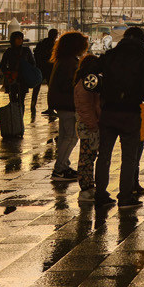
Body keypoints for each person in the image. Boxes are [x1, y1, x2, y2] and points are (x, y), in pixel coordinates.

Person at [93, 27, 144, 210]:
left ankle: (101, 195)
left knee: (104, 155)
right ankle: (125, 197)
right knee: (129, 158)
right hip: (130, 113)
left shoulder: (110, 55)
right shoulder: (143, 60)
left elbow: (91, 69)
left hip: (109, 112)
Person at [46, 31, 89, 183]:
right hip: (68, 104)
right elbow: (69, 84)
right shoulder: (70, 63)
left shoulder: (63, 60)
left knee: (65, 136)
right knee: (71, 137)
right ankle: (59, 170)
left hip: (61, 103)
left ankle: (63, 165)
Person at [72, 53, 103, 198]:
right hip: (88, 126)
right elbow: (85, 107)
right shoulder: (86, 84)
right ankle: (85, 187)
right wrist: (93, 125)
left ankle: (88, 185)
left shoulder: (85, 81)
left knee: (89, 155)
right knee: (86, 156)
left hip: (89, 124)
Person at [0, 32, 34, 111]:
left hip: (23, 79)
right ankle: (15, 118)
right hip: (12, 79)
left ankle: (20, 118)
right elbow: (2, 65)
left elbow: (32, 63)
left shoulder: (26, 50)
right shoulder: (9, 51)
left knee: (21, 101)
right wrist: (9, 73)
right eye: (17, 38)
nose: (20, 40)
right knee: (13, 100)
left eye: (21, 38)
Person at [32, 28, 58, 121]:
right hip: (50, 69)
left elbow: (35, 55)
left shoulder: (41, 43)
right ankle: (50, 108)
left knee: (36, 88)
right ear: (55, 36)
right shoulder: (55, 45)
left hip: (40, 68)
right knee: (51, 89)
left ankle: (32, 105)